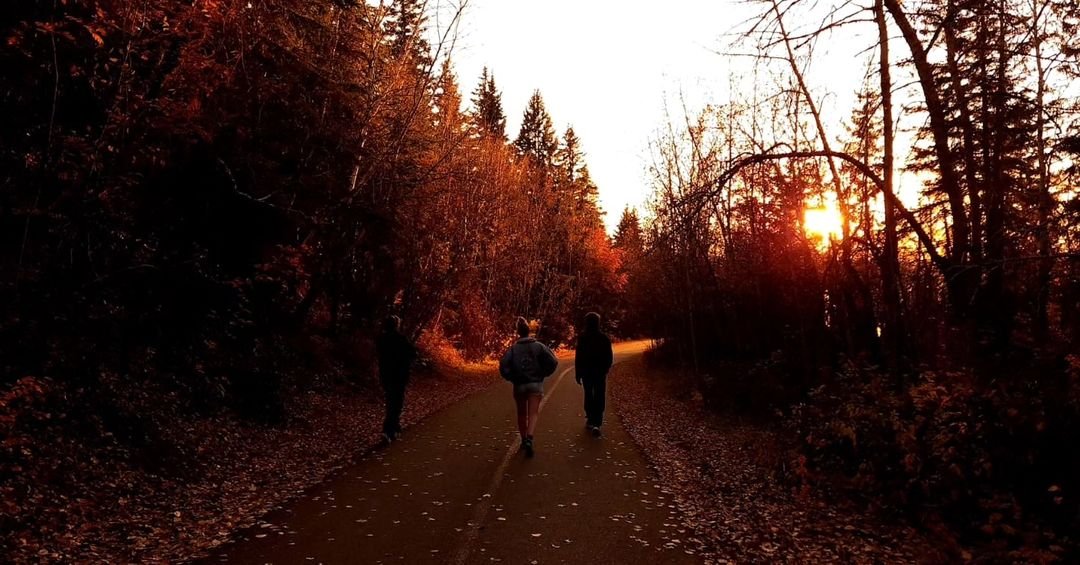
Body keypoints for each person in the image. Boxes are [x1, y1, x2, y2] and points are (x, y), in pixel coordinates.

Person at [499, 317, 558, 457]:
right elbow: (553, 361)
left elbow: (503, 366)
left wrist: (511, 377)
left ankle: (523, 438)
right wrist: (543, 373)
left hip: (519, 385)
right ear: (529, 331)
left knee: (521, 414)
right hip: (535, 384)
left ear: (518, 332)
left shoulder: (513, 349)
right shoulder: (539, 346)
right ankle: (530, 438)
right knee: (533, 413)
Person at [375, 315, 416, 444]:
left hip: (386, 375)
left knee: (391, 400)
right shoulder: (400, 339)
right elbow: (413, 354)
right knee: (396, 403)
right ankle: (388, 430)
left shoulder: (381, 339)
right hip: (399, 375)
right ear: (395, 325)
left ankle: (395, 426)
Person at [575, 312, 614, 437]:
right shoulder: (604, 338)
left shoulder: (582, 338)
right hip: (600, 372)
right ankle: (598, 421)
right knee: (599, 394)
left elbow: (579, 357)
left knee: (588, 394)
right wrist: (606, 368)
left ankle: (590, 418)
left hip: (587, 371)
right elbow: (609, 356)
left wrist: (578, 373)